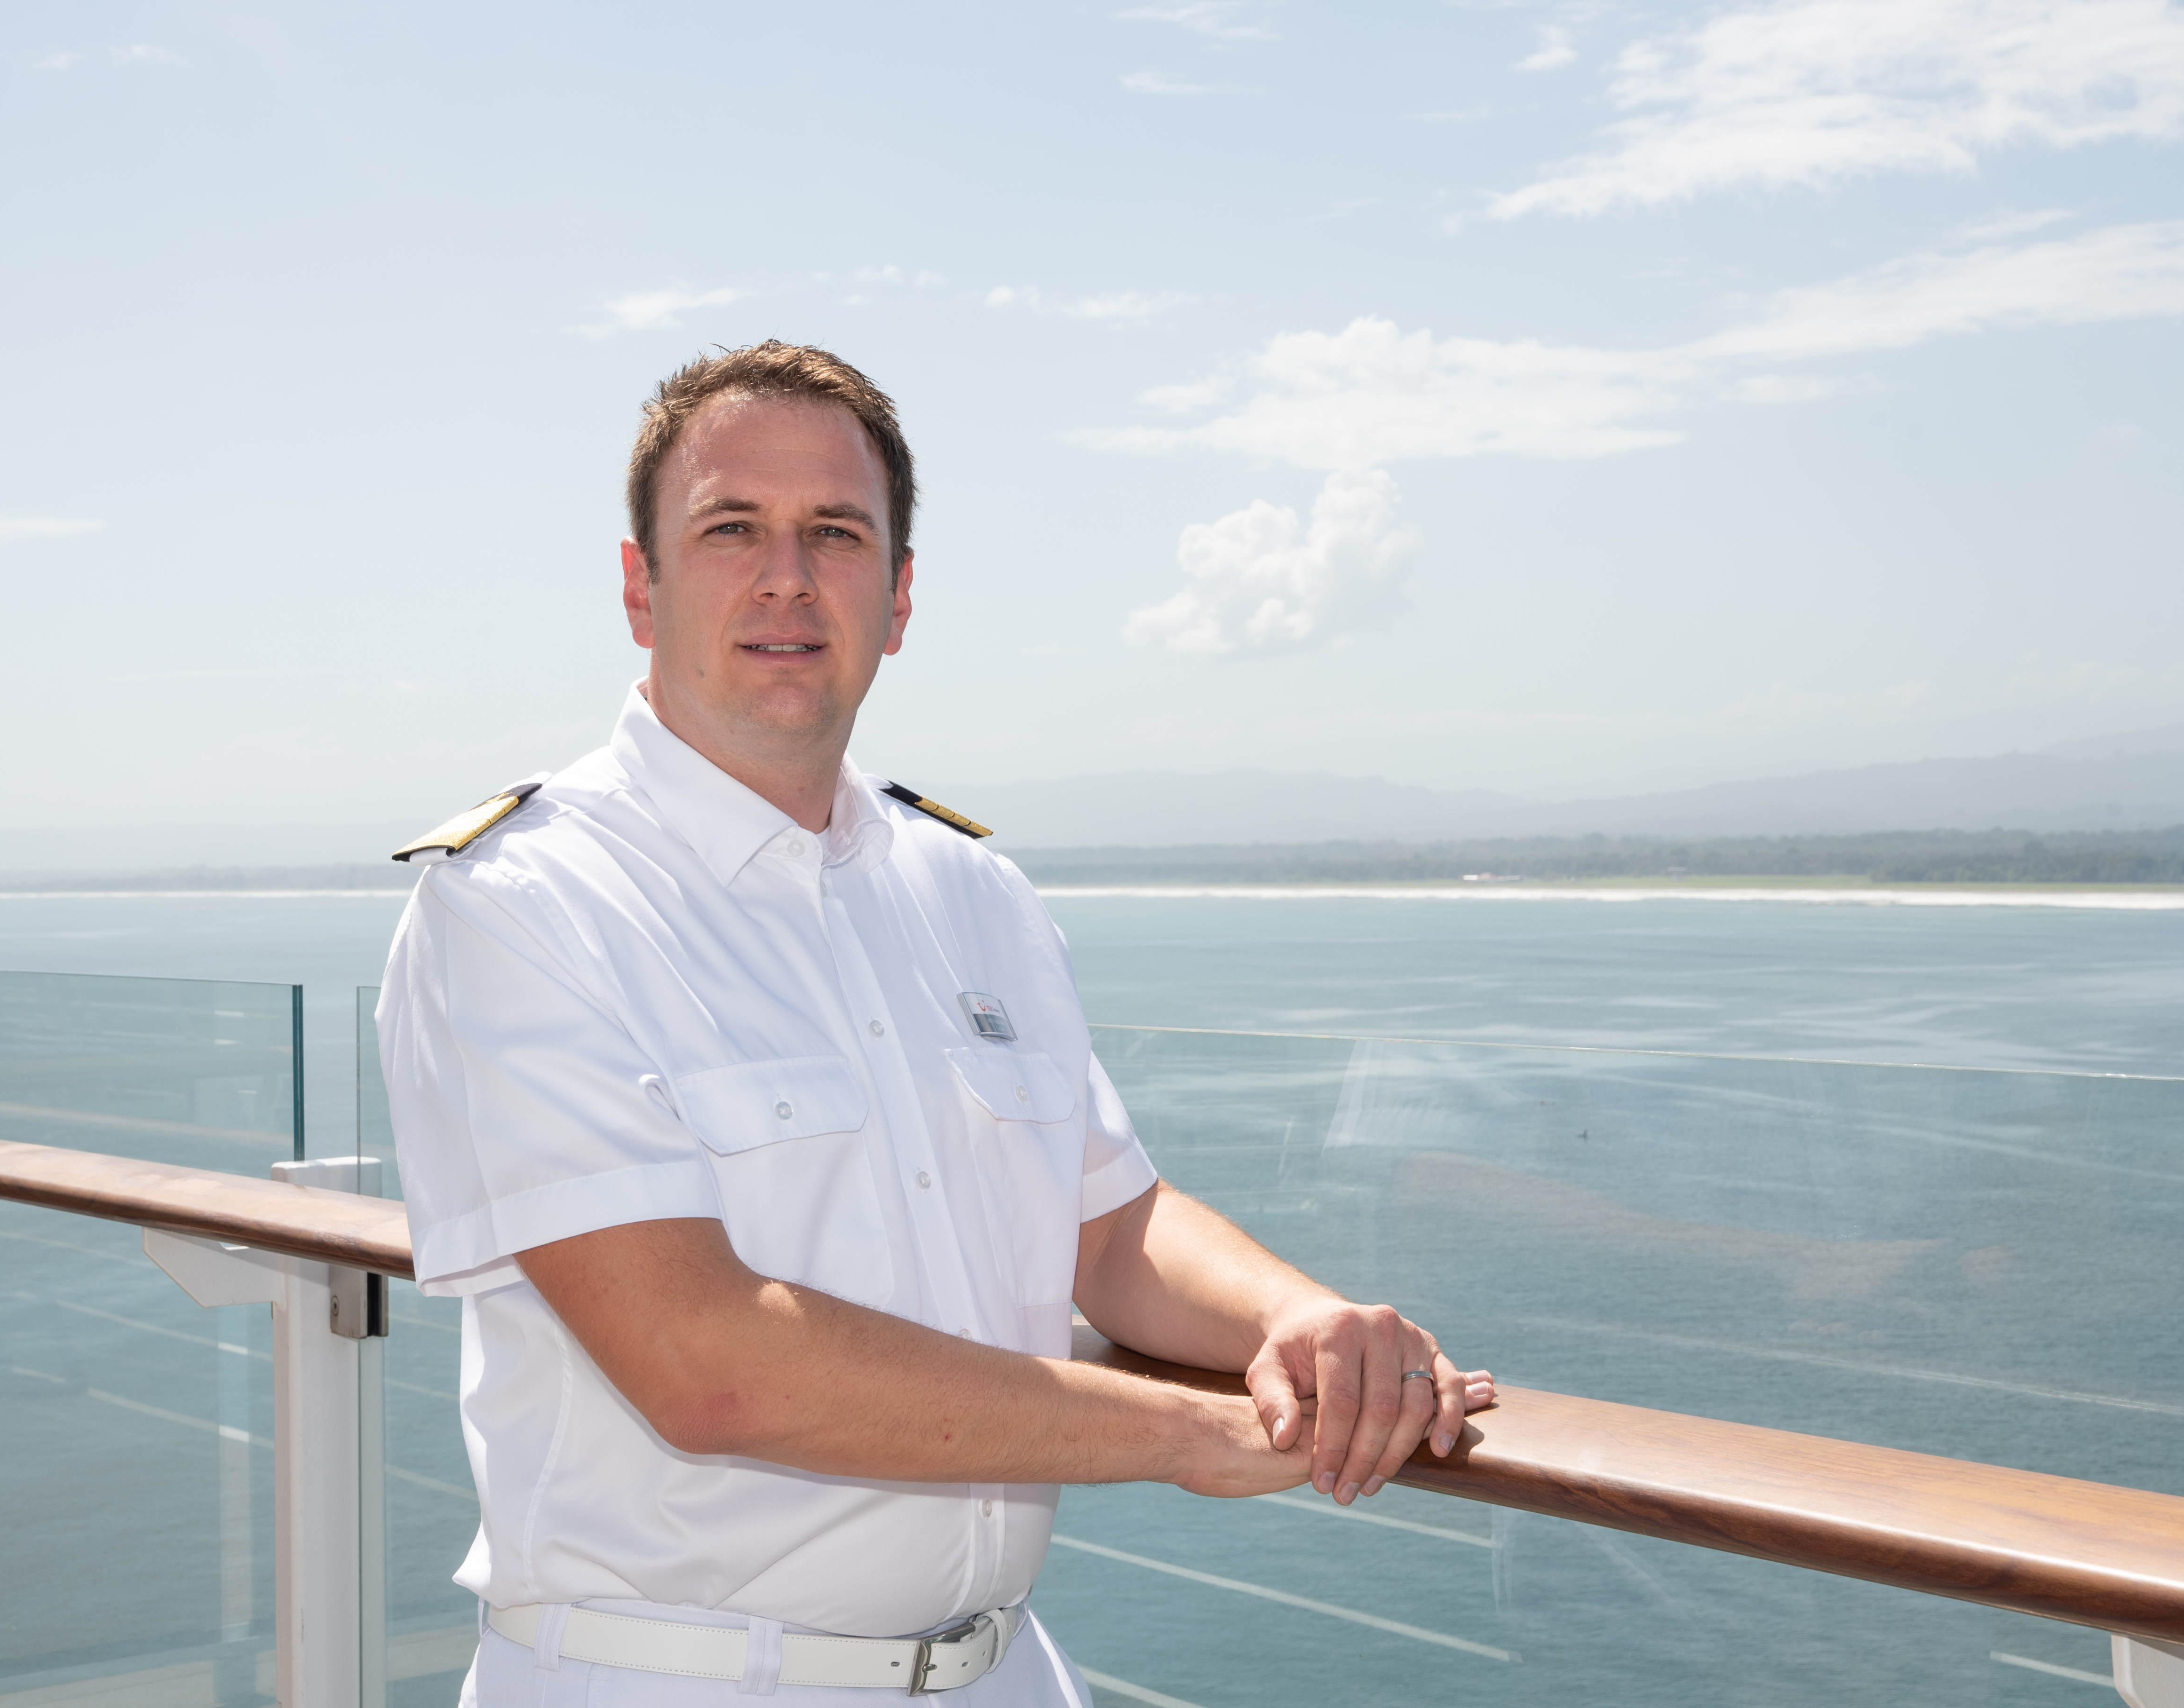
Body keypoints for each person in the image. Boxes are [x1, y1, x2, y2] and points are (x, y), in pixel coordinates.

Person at [375, 341, 1493, 1705]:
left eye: (836, 534)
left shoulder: (974, 893)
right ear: (638, 587)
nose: (787, 575)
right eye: (731, 528)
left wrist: (1302, 1321)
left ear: (898, 598)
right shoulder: (528, 906)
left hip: (1002, 1670)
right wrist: (1188, 1439)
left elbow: (1110, 1225)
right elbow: (702, 1365)